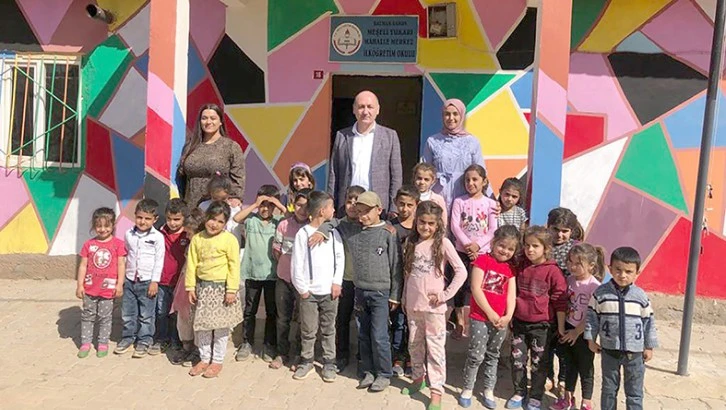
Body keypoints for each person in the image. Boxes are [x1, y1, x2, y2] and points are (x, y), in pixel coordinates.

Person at [311, 191, 403, 392]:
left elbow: (396, 266)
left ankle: (384, 373)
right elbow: (333, 222)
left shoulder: (388, 232)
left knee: (379, 335)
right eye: (359, 211)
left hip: (381, 293)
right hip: (360, 291)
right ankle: (368, 371)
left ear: (379, 210)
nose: (363, 216)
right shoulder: (352, 230)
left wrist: (395, 295)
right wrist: (322, 231)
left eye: (367, 211)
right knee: (363, 334)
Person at [399, 202, 466, 410]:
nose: (426, 227)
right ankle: (418, 379)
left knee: (435, 351)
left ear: (438, 225)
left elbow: (461, 271)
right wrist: (404, 297)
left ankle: (436, 391)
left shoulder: (443, 243)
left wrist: (445, 295)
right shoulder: (410, 242)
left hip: (434, 310)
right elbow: (407, 274)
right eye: (422, 222)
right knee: (414, 345)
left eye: (431, 223)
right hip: (413, 306)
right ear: (416, 221)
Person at [585, 247, 658, 410]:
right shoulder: (601, 294)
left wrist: (649, 346)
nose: (622, 275)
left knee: (634, 392)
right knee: (609, 389)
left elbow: (649, 322)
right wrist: (591, 339)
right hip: (610, 351)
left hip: (635, 353)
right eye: (618, 270)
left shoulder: (640, 296)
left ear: (637, 273)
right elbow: (592, 317)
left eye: (628, 271)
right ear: (610, 269)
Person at [507, 226, 568, 410]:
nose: (530, 249)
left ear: (546, 248)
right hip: (519, 322)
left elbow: (560, 300)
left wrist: (560, 327)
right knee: (517, 360)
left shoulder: (553, 271)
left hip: (542, 326)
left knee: (539, 363)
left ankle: (536, 396)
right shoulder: (520, 265)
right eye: (527, 245)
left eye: (535, 246)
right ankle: (519, 392)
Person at [459, 225, 519, 409]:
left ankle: (488, 390)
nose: (505, 251)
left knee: (493, 355)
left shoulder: (510, 268)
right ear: (493, 243)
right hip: (480, 317)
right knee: (476, 355)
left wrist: (508, 316)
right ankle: (467, 389)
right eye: (502, 245)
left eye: (510, 249)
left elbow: (511, 295)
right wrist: (490, 313)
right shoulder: (482, 260)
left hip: (500, 321)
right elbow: (476, 289)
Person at [291, 191, 345, 382]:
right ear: (322, 211)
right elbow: (297, 263)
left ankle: (329, 362)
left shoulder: (334, 233)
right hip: (310, 293)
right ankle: (307, 360)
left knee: (329, 329)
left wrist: (337, 282)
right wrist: (303, 289)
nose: (334, 210)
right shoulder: (303, 234)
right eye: (331, 207)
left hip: (330, 292)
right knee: (308, 329)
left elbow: (340, 258)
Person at [186, 201, 243, 378]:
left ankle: (217, 361)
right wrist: (190, 287)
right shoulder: (197, 239)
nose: (214, 224)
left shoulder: (230, 240)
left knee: (220, 328)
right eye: (212, 219)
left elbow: (234, 266)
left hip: (222, 290)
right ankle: (204, 358)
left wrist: (231, 290)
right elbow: (191, 264)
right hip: (203, 288)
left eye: (220, 221)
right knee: (202, 327)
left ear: (225, 223)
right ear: (206, 218)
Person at [233, 185, 286, 362]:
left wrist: (279, 204)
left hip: (272, 274)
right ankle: (246, 342)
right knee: (250, 310)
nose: (265, 209)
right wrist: (255, 204)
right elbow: (236, 218)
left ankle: (269, 344)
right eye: (262, 205)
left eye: (269, 205)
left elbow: (292, 219)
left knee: (272, 311)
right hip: (252, 272)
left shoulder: (279, 222)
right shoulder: (251, 220)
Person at [328, 90, 403, 213]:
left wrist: (394, 209)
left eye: (370, 107)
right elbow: (334, 173)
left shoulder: (390, 136)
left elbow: (396, 176)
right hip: (348, 205)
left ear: (378, 110)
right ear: (354, 110)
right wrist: (331, 204)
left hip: (377, 206)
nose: (365, 111)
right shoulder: (342, 136)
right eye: (361, 107)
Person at [550, 243, 605, 410]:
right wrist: (564, 328)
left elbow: (593, 314)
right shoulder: (568, 280)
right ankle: (567, 398)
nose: (572, 267)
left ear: (591, 265)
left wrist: (577, 332)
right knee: (569, 364)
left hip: (584, 333)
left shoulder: (595, 286)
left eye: (578, 264)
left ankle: (586, 402)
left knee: (586, 367)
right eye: (570, 262)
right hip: (568, 328)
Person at [450, 164, 499, 338]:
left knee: (478, 287)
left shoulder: (491, 204)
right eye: (467, 180)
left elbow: (493, 229)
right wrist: (467, 245)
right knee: (460, 286)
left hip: (482, 253)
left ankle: (478, 321)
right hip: (462, 252)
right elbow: (455, 226)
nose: (470, 183)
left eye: (475, 179)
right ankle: (459, 322)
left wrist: (477, 246)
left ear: (484, 181)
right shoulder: (459, 201)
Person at [115, 199, 165, 358]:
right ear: (135, 216)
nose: (143, 221)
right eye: (139, 217)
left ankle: (144, 340)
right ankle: (128, 337)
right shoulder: (129, 234)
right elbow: (126, 255)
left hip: (147, 282)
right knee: (128, 313)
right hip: (130, 280)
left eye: (147, 218)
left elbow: (159, 260)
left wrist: (154, 281)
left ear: (155, 219)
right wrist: (122, 278)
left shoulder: (158, 237)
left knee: (146, 315)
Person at [76, 207, 127, 358]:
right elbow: (83, 265)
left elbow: (121, 265)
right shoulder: (88, 245)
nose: (103, 229)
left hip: (108, 289)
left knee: (105, 317)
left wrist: (119, 284)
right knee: (88, 315)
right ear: (94, 226)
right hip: (90, 289)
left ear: (113, 225)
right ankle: (85, 342)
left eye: (106, 226)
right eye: (99, 226)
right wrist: (79, 285)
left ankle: (103, 342)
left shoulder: (118, 244)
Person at [270, 188, 312, 370]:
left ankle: (298, 354)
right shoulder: (284, 225)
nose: (302, 209)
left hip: (304, 282)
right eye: (299, 205)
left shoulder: (313, 229)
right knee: (283, 318)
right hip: (284, 278)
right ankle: (282, 353)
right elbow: (277, 251)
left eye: (306, 206)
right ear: (293, 205)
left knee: (303, 319)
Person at [422, 98, 487, 211]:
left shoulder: (472, 141)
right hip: (438, 194)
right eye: (447, 114)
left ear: (462, 115)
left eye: (455, 114)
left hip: (464, 195)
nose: (451, 118)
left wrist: (490, 200)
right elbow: (424, 170)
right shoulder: (432, 141)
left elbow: (481, 172)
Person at [177, 103, 245, 209]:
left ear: (220, 122)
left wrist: (236, 197)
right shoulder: (190, 146)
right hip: (190, 206)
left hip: (217, 208)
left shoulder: (231, 146)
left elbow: (239, 176)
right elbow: (181, 177)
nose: (208, 122)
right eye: (204, 118)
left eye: (213, 118)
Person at [546, 207, 584, 395]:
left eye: (565, 231)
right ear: (548, 227)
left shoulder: (576, 249)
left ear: (572, 231)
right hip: (545, 304)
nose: (559, 235)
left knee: (564, 344)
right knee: (546, 343)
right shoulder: (542, 245)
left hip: (569, 306)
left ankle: (563, 378)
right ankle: (548, 376)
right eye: (555, 229)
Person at [149, 198, 188, 355]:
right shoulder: (160, 233)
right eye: (169, 219)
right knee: (161, 311)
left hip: (180, 282)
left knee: (177, 313)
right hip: (163, 281)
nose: (172, 223)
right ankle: (161, 339)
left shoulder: (188, 235)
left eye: (177, 219)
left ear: (184, 218)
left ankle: (176, 340)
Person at [389, 185, 419, 377]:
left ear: (416, 205)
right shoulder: (389, 226)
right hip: (395, 281)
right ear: (395, 203)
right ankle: (398, 357)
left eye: (409, 205)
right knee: (398, 322)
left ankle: (412, 358)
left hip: (415, 283)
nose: (405, 208)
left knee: (413, 323)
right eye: (401, 204)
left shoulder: (420, 227)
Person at [335, 185, 365, 373]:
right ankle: (342, 355)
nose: (352, 205)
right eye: (349, 201)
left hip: (363, 282)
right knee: (342, 319)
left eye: (357, 202)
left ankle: (363, 358)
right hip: (344, 280)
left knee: (362, 322)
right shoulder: (338, 225)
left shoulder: (367, 225)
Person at [170, 209, 204, 367]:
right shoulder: (190, 244)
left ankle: (198, 350)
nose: (188, 236)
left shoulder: (203, 245)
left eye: (190, 233)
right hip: (185, 284)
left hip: (198, 285)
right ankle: (186, 347)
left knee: (197, 318)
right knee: (184, 319)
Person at [199, 173, 243, 247]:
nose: (219, 202)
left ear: (229, 194)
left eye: (223, 199)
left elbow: (235, 234)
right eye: (215, 198)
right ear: (210, 193)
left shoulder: (234, 209)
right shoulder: (203, 206)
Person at [413, 162, 448, 227]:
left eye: (426, 179)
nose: (422, 182)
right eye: (419, 178)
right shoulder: (409, 197)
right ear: (414, 177)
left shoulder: (438, 199)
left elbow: (443, 222)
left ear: (433, 181)